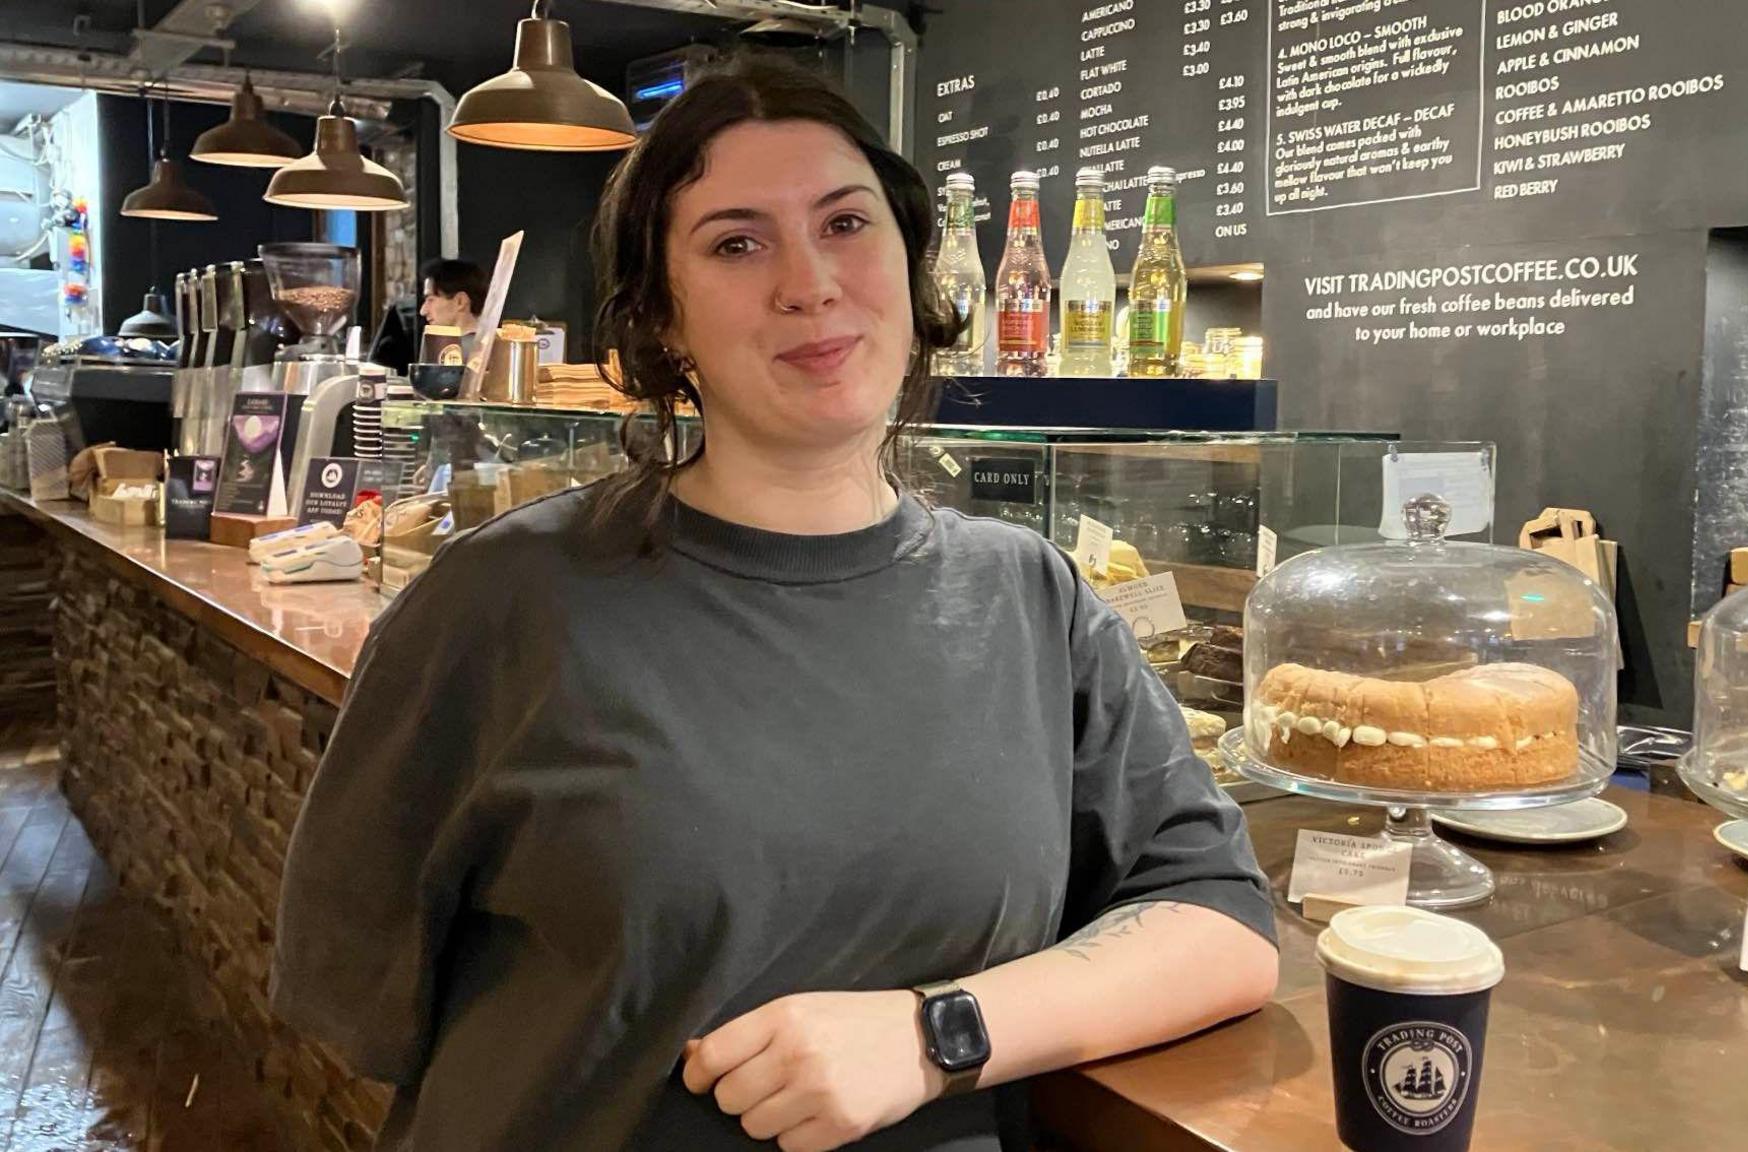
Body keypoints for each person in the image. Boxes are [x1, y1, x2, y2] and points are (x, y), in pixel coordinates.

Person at [271, 54, 1277, 1152]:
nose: (808, 282)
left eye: (846, 225)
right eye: (735, 243)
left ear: (912, 268)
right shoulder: (499, 605)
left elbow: (1219, 924)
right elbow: (359, 998)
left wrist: (937, 1034)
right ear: (662, 321)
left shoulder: (1029, 598)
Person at [419, 256, 488, 356]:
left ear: (460, 301)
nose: (423, 311)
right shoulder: (436, 348)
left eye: (431, 300)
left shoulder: (484, 352)